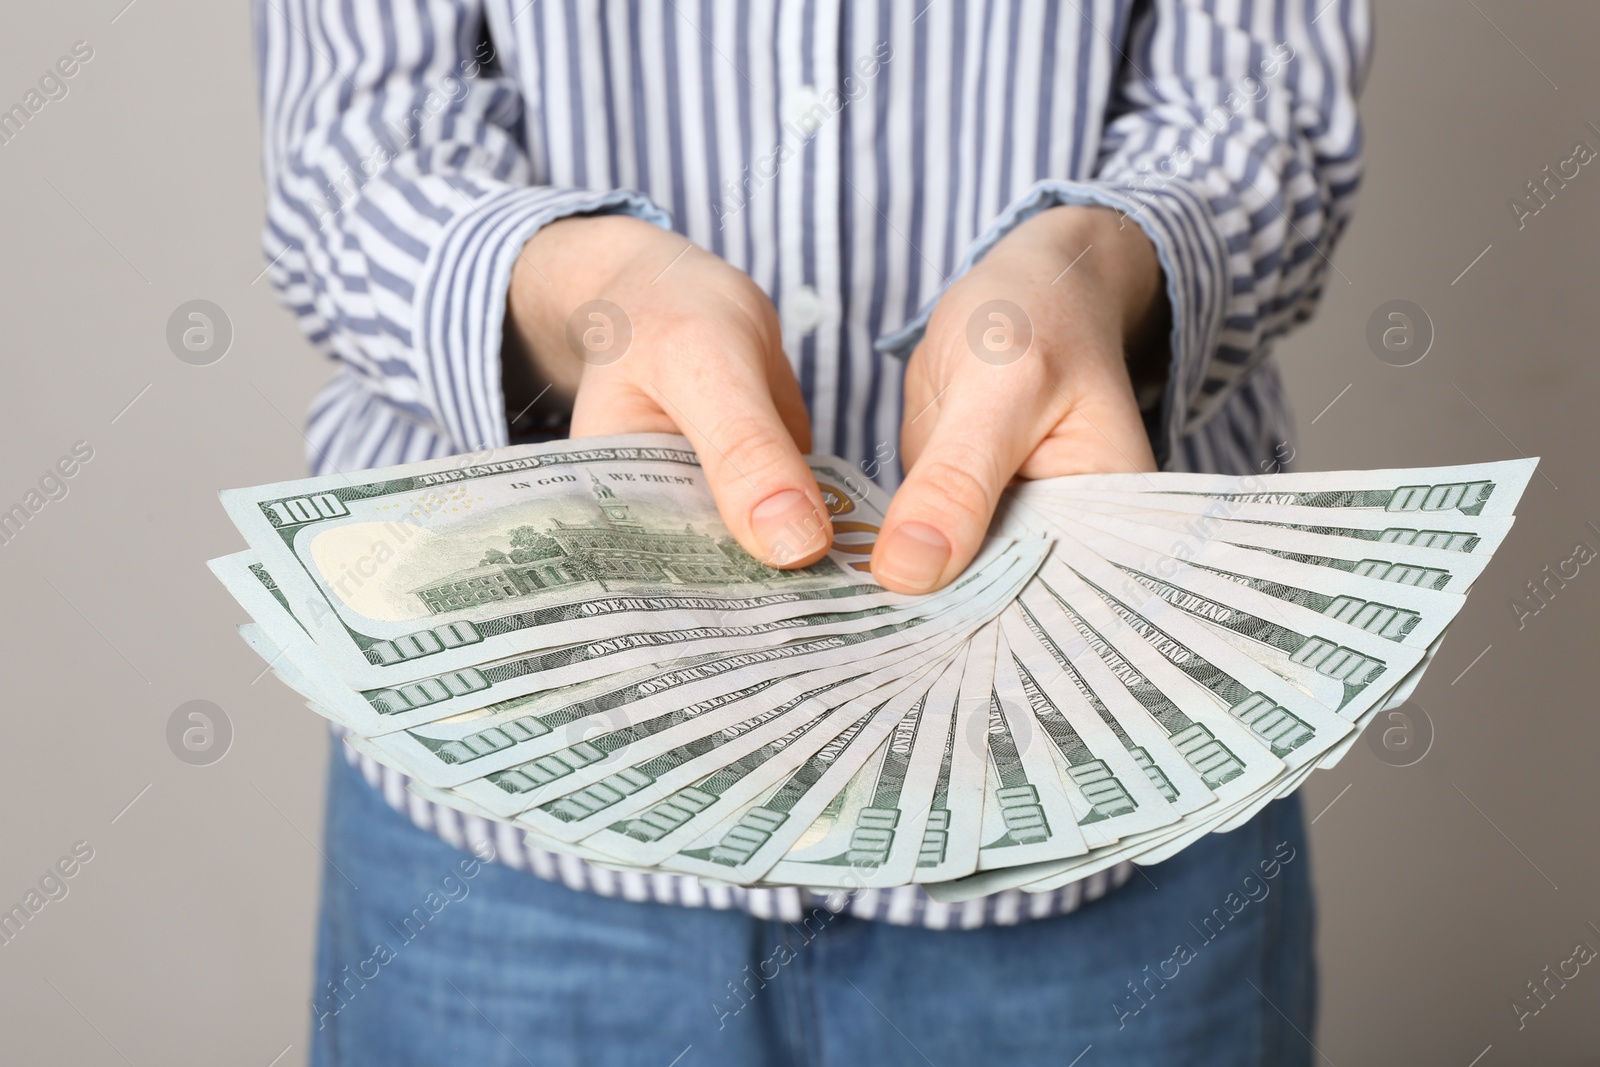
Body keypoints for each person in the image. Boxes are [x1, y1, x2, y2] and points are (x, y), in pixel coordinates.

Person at [255, 2, 1370, 1063]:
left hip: (1100, 798)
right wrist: (584, 296)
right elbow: (355, 141)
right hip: (507, 813)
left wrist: (1102, 270)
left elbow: (1256, 99)